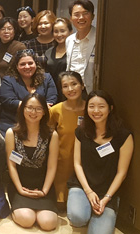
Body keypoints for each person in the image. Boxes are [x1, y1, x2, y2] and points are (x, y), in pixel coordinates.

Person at [66, 91, 134, 234]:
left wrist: (106, 198)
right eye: (91, 106)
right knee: (77, 217)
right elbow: (77, 164)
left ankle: (97, 207)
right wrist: (89, 191)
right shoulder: (81, 131)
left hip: (108, 191)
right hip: (83, 186)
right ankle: (86, 207)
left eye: (101, 106)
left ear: (110, 108)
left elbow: (122, 173)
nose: (96, 111)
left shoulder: (123, 135)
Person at [5, 93, 59, 231]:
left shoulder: (52, 135)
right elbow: (11, 165)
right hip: (20, 185)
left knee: (48, 223)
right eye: (29, 108)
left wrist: (44, 191)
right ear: (22, 109)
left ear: (44, 112)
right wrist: (20, 189)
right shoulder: (12, 133)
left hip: (43, 186)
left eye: (38, 109)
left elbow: (52, 167)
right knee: (27, 220)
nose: (33, 112)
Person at [0, 49, 57, 134]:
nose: (27, 67)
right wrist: (39, 107)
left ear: (36, 64)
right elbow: (9, 102)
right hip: (12, 123)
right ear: (16, 66)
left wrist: (25, 106)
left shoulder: (46, 78)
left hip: (41, 123)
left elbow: (52, 99)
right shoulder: (8, 80)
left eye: (30, 63)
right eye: (22, 64)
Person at [48, 71, 85, 206]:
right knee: (61, 205)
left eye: (74, 84)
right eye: (65, 86)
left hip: (85, 161)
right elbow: (48, 135)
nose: (70, 89)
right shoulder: (56, 110)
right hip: (62, 160)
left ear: (82, 85)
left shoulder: (91, 108)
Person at [65, 0, 97, 93]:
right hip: (73, 91)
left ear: (93, 16)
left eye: (85, 13)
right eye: (77, 14)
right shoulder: (69, 40)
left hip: (92, 92)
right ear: (71, 18)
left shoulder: (99, 38)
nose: (81, 17)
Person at [44, 17, 73, 100]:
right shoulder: (48, 52)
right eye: (56, 31)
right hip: (50, 94)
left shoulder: (75, 51)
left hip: (69, 93)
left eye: (62, 31)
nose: (59, 35)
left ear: (70, 32)